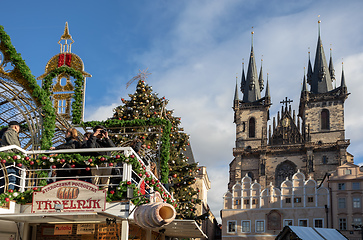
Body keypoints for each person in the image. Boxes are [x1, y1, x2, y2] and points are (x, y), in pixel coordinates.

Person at [0, 121, 21, 191]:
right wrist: (21, 154)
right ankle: (9, 195)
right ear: (16, 127)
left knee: (9, 178)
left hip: (10, 159)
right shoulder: (10, 133)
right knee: (11, 177)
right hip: (9, 159)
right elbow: (15, 146)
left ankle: (7, 194)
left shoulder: (9, 133)